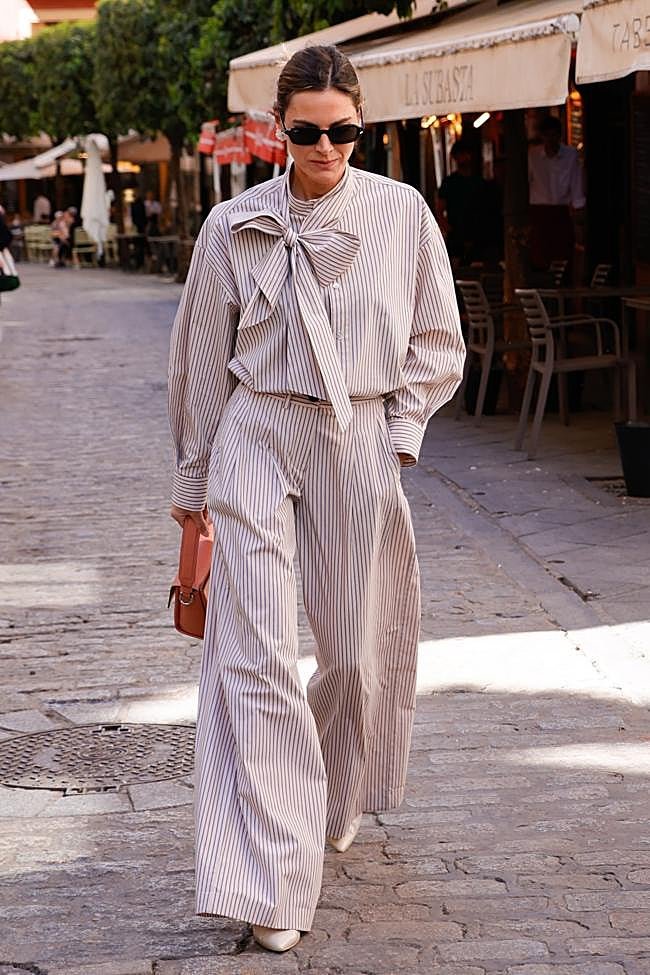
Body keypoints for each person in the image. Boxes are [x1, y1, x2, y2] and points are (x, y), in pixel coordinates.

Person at [168, 44, 464, 954]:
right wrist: (193, 483)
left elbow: (438, 340)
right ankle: (273, 873)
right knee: (252, 654)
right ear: (278, 129)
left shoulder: (402, 213)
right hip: (256, 430)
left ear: (361, 128)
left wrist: (399, 435)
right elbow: (200, 356)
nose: (326, 148)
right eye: (307, 132)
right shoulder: (231, 225)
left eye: (344, 132)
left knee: (355, 655)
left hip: (358, 434)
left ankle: (337, 794)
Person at [528, 114, 585, 273]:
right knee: (541, 259)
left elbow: (576, 182)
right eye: (547, 136)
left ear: (560, 136)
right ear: (542, 137)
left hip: (561, 211)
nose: (550, 140)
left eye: (554, 135)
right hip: (539, 212)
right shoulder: (533, 156)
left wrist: (579, 209)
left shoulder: (570, 155)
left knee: (563, 257)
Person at [436, 140, 488, 268]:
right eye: (460, 155)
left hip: (478, 234)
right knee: (456, 268)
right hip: (456, 234)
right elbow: (439, 209)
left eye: (466, 154)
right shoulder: (449, 182)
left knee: (478, 267)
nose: (464, 158)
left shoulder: (480, 182)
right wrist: (448, 228)